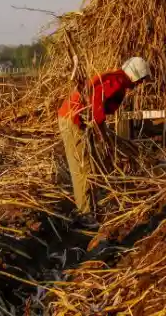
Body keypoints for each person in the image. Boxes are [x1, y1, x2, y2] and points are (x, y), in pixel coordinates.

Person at [58, 57, 151, 218]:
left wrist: (103, 132)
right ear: (134, 75)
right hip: (73, 120)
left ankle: (93, 207)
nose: (140, 84)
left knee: (92, 164)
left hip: (79, 121)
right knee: (83, 169)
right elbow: (96, 101)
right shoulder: (117, 81)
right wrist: (101, 134)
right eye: (141, 79)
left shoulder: (117, 79)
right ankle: (85, 215)